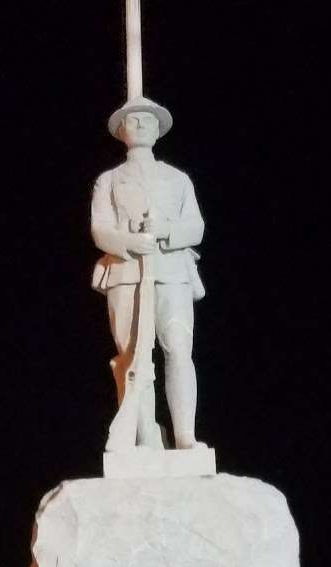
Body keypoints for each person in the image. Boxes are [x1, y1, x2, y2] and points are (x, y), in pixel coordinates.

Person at [90, 95, 207, 451]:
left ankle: (185, 434)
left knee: (179, 348)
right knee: (132, 356)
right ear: (120, 130)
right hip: (126, 272)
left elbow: (196, 227)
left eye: (148, 120)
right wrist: (129, 241)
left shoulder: (178, 179)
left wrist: (166, 231)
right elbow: (100, 230)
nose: (141, 125)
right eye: (133, 120)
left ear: (159, 129)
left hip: (171, 270)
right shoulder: (109, 180)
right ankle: (144, 435)